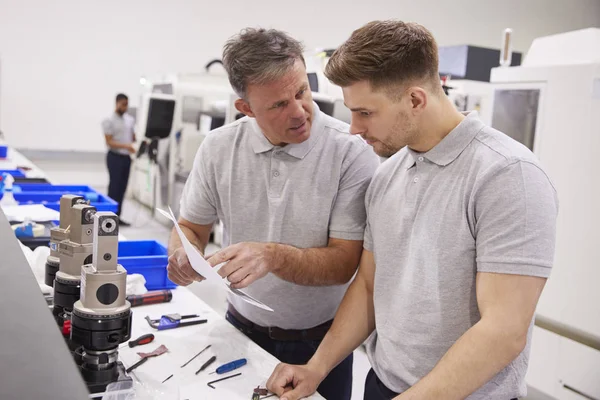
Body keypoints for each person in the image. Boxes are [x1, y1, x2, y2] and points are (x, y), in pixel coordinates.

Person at [266, 20, 559, 400]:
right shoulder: (388, 175)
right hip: (384, 384)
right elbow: (370, 286)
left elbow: (504, 331)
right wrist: (317, 367)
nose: (353, 129)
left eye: (365, 113)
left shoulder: (508, 176)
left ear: (416, 100)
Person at [166, 28, 380, 400]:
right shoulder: (219, 148)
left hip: (321, 344)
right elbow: (189, 227)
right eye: (279, 105)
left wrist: (272, 256)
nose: (300, 112)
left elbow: (345, 264)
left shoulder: (351, 152)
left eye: (301, 92)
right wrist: (183, 254)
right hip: (239, 329)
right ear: (246, 108)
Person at [101, 93, 136, 226]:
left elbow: (133, 137)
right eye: (123, 104)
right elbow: (109, 142)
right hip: (114, 157)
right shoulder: (108, 120)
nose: (125, 107)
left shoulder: (129, 120)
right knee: (114, 188)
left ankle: (118, 216)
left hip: (126, 158)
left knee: (122, 188)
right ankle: (109, 218)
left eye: (127, 104)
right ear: (117, 103)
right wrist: (126, 146)